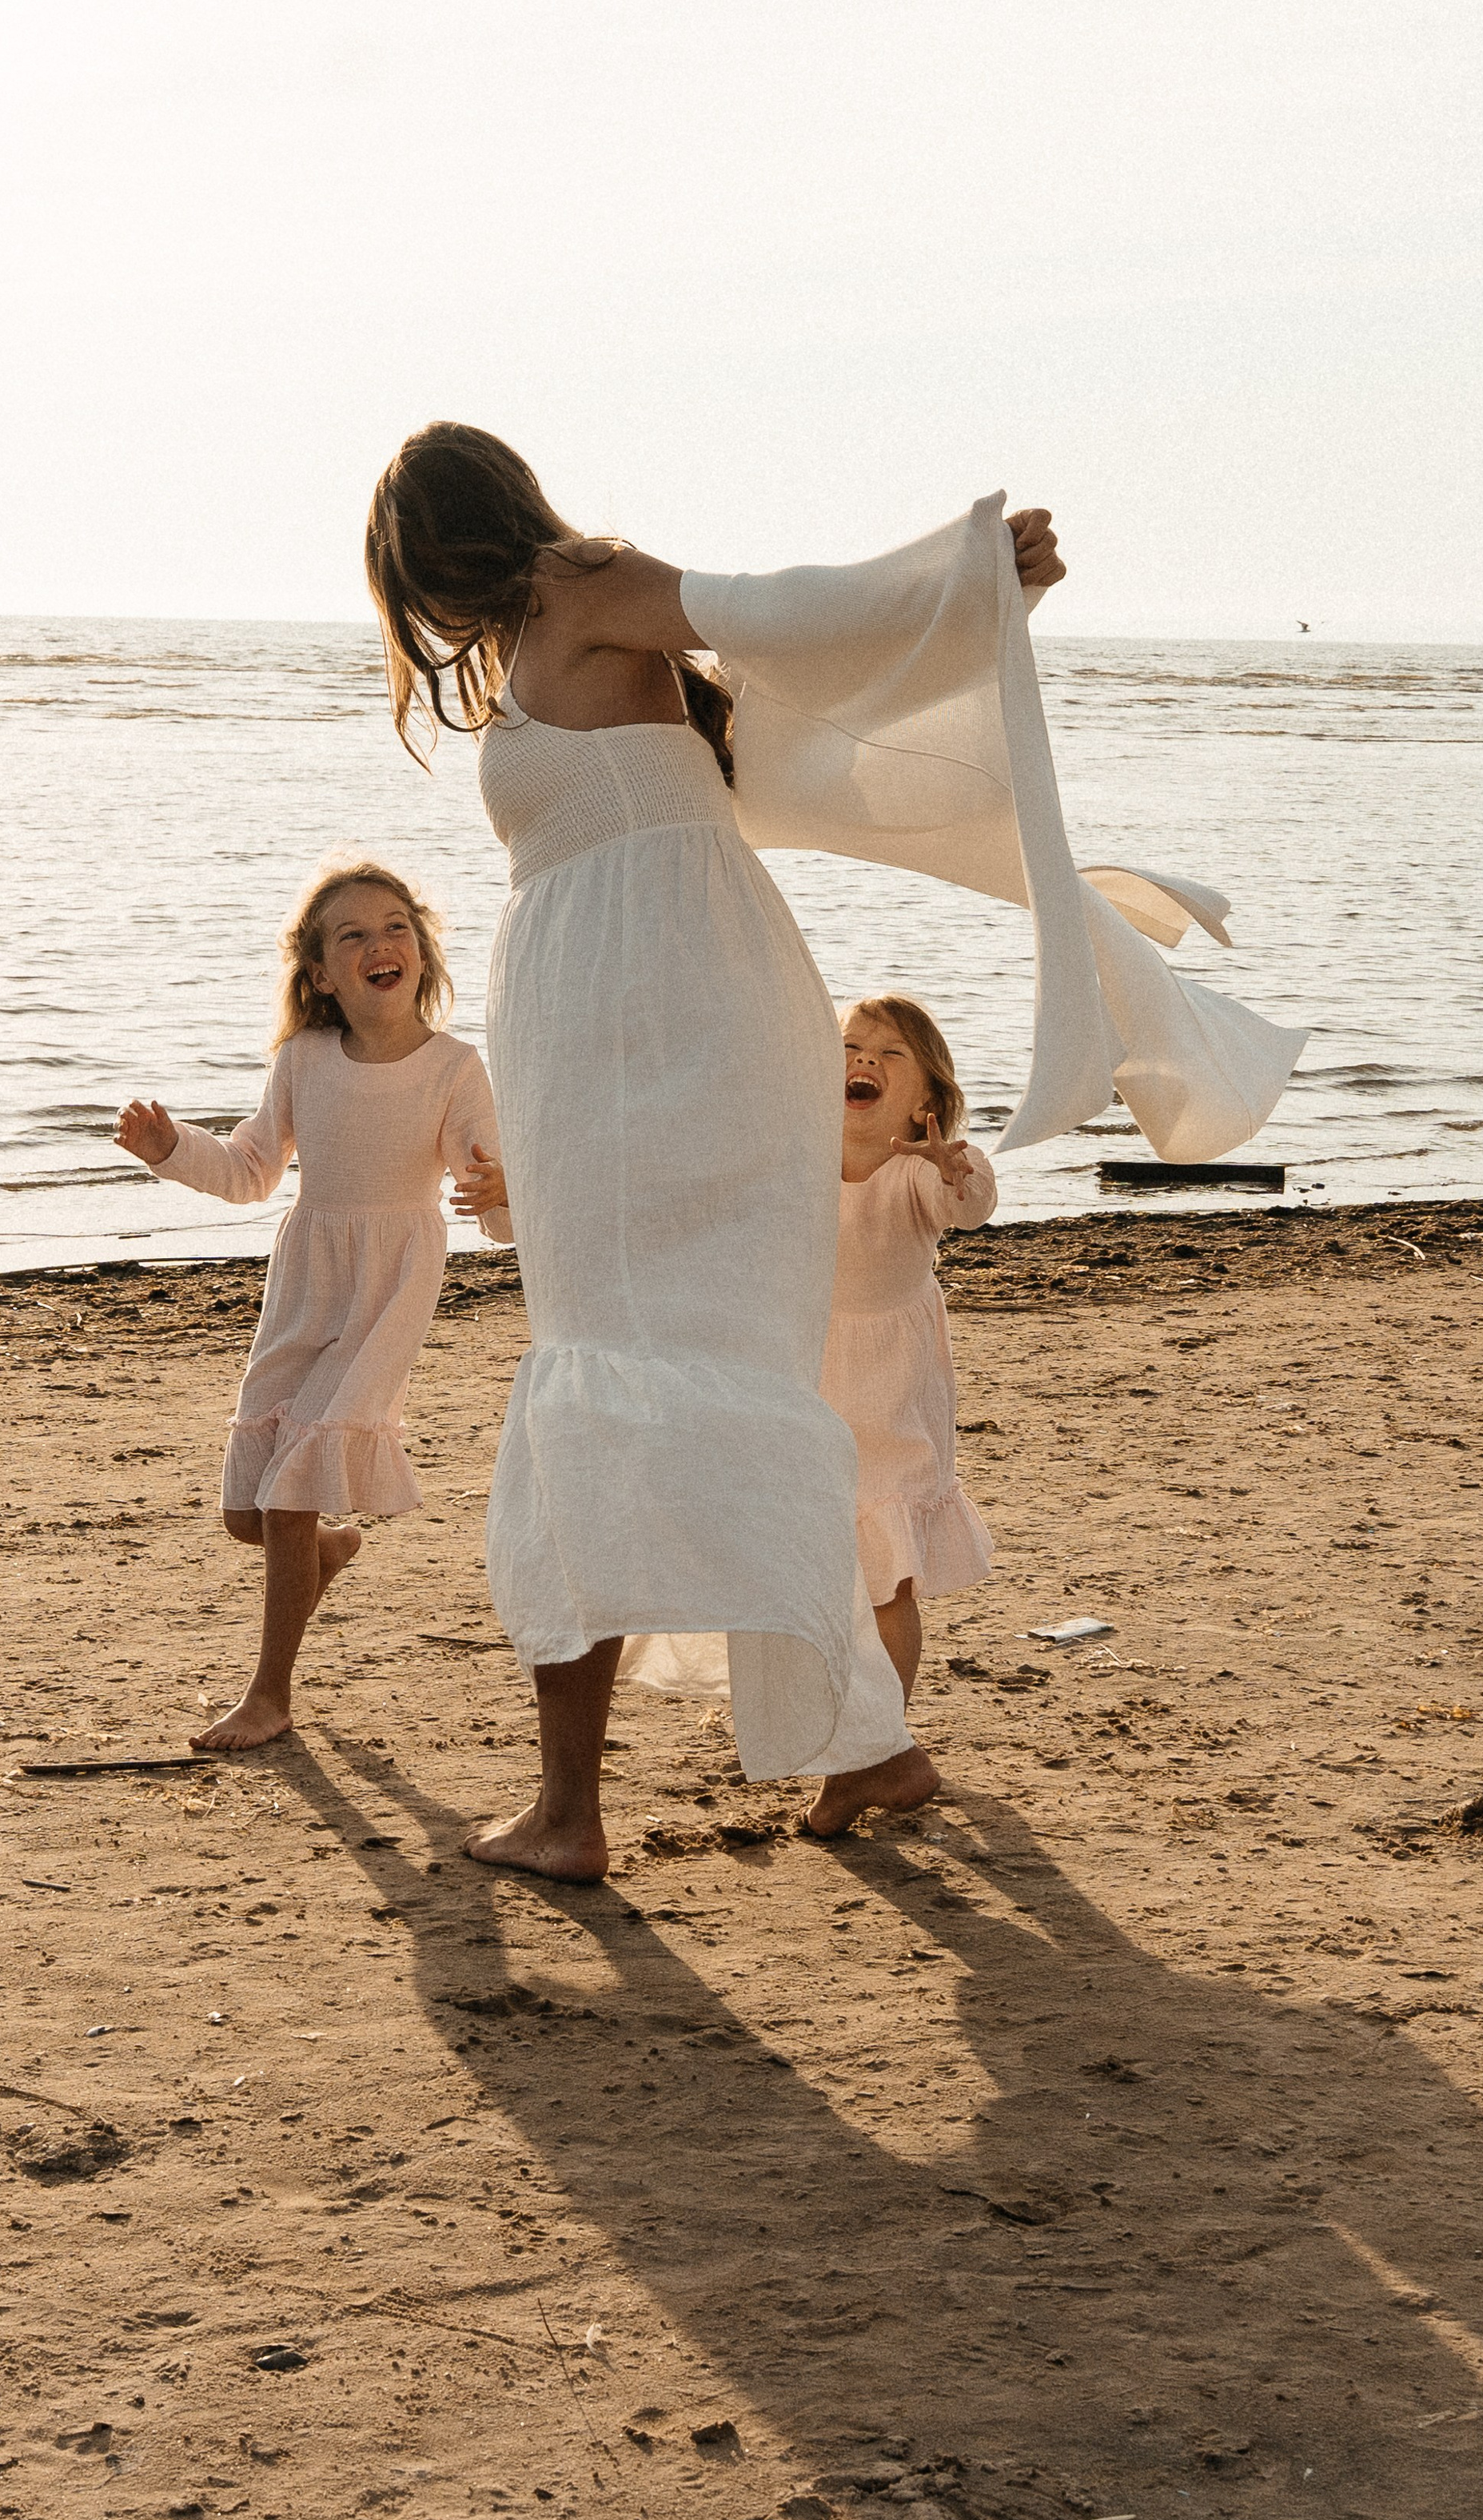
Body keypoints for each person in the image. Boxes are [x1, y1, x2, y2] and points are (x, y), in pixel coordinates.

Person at [365, 424, 1067, 1878]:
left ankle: (574, 1812)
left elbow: (774, 609)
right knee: (667, 1380)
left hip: (663, 1037)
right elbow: (780, 726)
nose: (425, 616)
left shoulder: (585, 585)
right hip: (640, 1027)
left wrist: (962, 585)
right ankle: (867, 1744)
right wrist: (956, 611)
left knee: (611, 1387)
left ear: (441, 548)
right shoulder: (555, 636)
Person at [114, 859, 510, 1751]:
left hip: (391, 1284)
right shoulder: (303, 1059)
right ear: (321, 973)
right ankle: (322, 1554)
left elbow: (487, 1176)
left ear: (422, 950)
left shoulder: (453, 1066)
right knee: (248, 1514)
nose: (381, 944)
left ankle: (269, 1697)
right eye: (353, 935)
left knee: (288, 1494)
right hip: (307, 1280)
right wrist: (172, 1149)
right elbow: (253, 1170)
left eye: (396, 926)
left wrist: (500, 1191)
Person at [811, 994, 997, 1828]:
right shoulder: (796, 1155)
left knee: (885, 1567)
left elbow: (966, 1204)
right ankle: (852, 1744)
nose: (866, 1061)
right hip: (805, 1380)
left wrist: (960, 1170)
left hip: (890, 1388)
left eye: (891, 1055)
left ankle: (877, 1752)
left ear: (924, 1102)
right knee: (821, 1566)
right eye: (854, 1046)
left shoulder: (919, 1173)